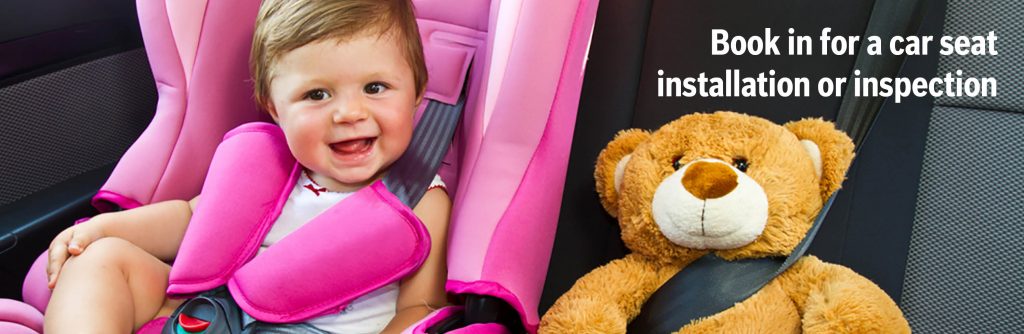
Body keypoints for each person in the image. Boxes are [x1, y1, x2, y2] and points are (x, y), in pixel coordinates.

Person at [42, 0, 450, 332]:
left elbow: (420, 306)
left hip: (313, 328)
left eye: (374, 88)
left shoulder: (419, 200)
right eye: (316, 94)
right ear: (275, 108)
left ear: (416, 91)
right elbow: (190, 219)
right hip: (207, 310)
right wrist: (102, 230)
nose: (347, 113)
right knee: (102, 259)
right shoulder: (266, 166)